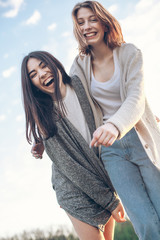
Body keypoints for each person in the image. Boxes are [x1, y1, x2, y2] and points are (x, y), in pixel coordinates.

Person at [70, 1, 160, 240]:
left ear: (104, 21)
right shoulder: (79, 66)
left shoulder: (130, 53)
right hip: (111, 151)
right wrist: (40, 135)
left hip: (141, 138)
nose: (86, 26)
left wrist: (114, 125)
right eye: (80, 22)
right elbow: (65, 102)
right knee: (144, 221)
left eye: (92, 19)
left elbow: (136, 97)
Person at [21, 50, 125, 240]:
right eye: (33, 74)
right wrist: (110, 202)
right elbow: (70, 166)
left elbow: (110, 100)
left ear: (54, 63)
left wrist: (138, 117)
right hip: (74, 186)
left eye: (43, 66)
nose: (42, 74)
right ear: (33, 86)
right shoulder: (45, 119)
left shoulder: (81, 84)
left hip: (101, 175)